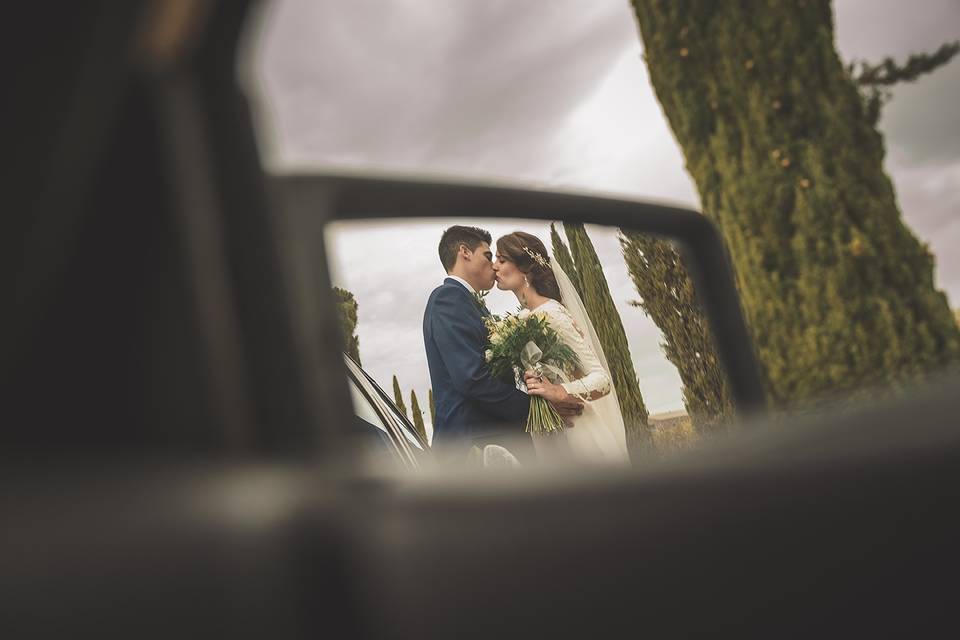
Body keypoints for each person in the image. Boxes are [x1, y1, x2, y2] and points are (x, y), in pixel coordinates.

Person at [423, 225, 582, 465]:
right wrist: (537, 409)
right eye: (488, 256)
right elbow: (472, 379)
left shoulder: (472, 305)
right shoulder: (448, 299)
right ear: (465, 252)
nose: (494, 265)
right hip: (474, 449)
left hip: (497, 441)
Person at [493, 230, 630, 464]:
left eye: (501, 260)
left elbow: (602, 379)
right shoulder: (527, 318)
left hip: (578, 435)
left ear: (526, 270)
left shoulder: (552, 313)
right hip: (549, 433)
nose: (494, 266)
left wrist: (561, 392)